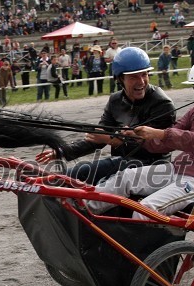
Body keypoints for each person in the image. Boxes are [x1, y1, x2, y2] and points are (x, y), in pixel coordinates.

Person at [86, 56, 194, 219]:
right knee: (125, 178)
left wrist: (159, 133)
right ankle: (82, 213)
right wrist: (138, 137)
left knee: (145, 210)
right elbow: (169, 138)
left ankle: (137, 244)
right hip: (179, 169)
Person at [36, 47, 176, 185]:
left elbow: (156, 147)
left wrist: (113, 141)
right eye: (133, 77)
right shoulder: (115, 100)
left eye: (144, 74)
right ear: (120, 78)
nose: (141, 81)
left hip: (153, 168)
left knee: (80, 173)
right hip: (123, 164)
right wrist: (63, 151)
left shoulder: (162, 104)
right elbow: (97, 137)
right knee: (73, 175)